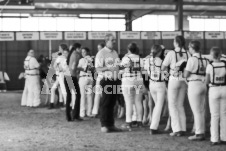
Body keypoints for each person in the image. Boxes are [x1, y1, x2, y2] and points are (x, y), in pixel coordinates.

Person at [162, 36, 190, 136]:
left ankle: (176, 129)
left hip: (173, 79)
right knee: (180, 105)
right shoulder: (188, 53)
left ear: (176, 42)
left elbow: (163, 67)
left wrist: (168, 73)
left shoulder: (171, 53)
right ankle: (183, 128)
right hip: (184, 81)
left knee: (172, 105)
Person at [95, 34, 121, 133]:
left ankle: (111, 124)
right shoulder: (101, 53)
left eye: (114, 40)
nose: (114, 41)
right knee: (106, 103)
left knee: (112, 103)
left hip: (115, 80)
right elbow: (97, 69)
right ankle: (104, 125)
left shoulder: (115, 53)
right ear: (107, 41)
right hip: (106, 80)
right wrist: (108, 67)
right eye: (112, 40)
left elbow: (117, 66)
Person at [184, 41, 209, 141]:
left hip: (194, 84)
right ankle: (202, 130)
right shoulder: (205, 59)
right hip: (203, 84)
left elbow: (186, 74)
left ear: (192, 48)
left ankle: (199, 133)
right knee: (201, 110)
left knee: (196, 111)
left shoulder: (192, 59)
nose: (188, 49)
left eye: (189, 47)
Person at [120, 43, 144, 131]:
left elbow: (120, 69)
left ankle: (128, 122)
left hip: (128, 81)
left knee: (129, 102)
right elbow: (142, 70)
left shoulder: (126, 58)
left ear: (128, 49)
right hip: (138, 80)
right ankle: (139, 121)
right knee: (138, 102)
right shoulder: (140, 59)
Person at [206, 47, 226, 145]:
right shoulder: (224, 65)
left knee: (214, 115)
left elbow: (207, 81)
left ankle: (214, 139)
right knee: (223, 114)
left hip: (214, 89)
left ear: (212, 55)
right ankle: (224, 138)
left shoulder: (210, 66)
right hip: (224, 89)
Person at [145, 45, 167, 134]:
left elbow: (146, 71)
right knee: (158, 106)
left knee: (156, 105)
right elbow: (166, 74)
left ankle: (154, 125)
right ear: (160, 52)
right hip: (160, 84)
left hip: (151, 84)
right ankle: (153, 128)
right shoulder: (162, 61)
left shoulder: (147, 60)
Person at [64, 43, 83, 122]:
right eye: (80, 48)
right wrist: (81, 68)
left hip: (67, 76)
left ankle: (68, 116)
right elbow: (73, 67)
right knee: (78, 95)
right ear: (77, 48)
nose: (81, 50)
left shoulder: (71, 54)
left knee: (69, 97)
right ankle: (75, 115)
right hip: (72, 77)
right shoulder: (76, 55)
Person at [49, 44, 68, 109]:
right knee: (53, 89)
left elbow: (54, 65)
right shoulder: (61, 56)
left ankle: (66, 104)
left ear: (62, 49)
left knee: (63, 90)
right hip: (59, 75)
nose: (59, 49)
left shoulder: (61, 57)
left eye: (60, 48)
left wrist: (57, 67)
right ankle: (53, 103)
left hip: (61, 74)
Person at [77, 47, 94, 118]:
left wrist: (81, 68)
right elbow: (93, 69)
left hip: (83, 78)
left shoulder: (81, 60)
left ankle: (82, 113)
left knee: (83, 96)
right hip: (90, 78)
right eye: (82, 52)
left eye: (84, 52)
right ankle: (89, 112)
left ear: (87, 52)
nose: (83, 53)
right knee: (89, 96)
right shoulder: (91, 59)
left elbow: (78, 68)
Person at [91, 43, 106, 118]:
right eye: (98, 48)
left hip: (106, 77)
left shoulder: (106, 55)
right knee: (97, 94)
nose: (98, 49)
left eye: (99, 48)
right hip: (100, 77)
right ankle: (95, 111)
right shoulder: (98, 56)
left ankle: (102, 111)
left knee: (104, 95)